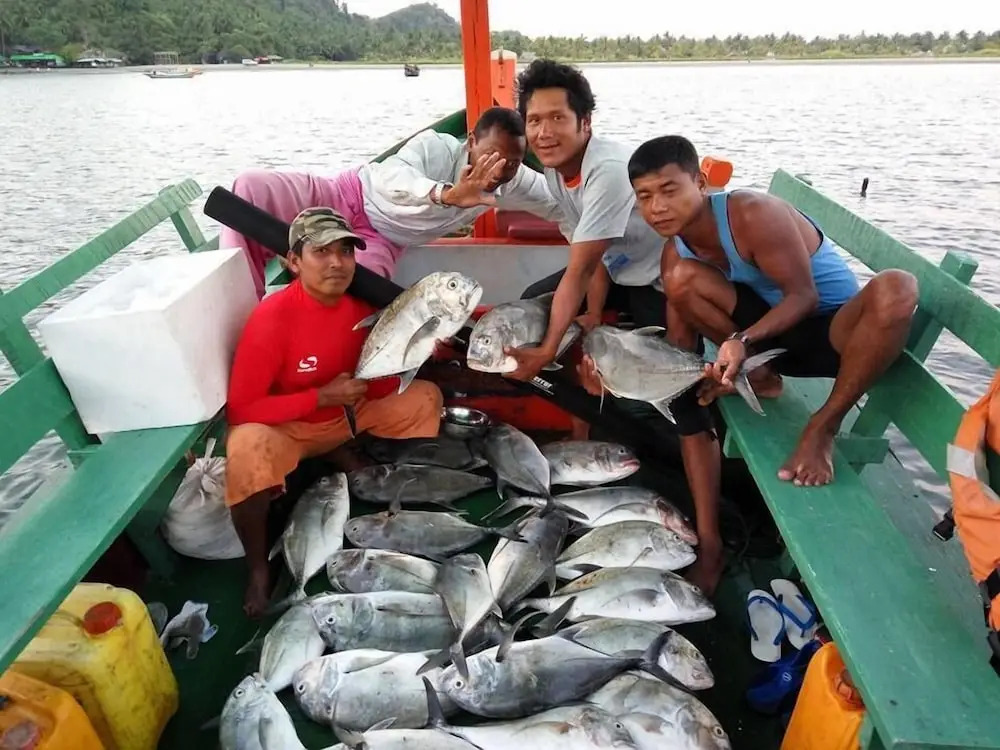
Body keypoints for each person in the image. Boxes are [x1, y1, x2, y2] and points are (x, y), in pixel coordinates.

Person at [581, 134, 918, 594]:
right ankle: (756, 386)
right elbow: (678, 347)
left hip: (832, 334)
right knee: (680, 284)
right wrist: (625, 376)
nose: (657, 207)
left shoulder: (753, 214)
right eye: (644, 197)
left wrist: (741, 341)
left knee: (898, 286)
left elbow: (804, 296)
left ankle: (822, 427)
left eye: (669, 190)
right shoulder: (675, 251)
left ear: (701, 183)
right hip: (761, 343)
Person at [224, 206, 444, 617]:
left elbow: (377, 385)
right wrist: (320, 397)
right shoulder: (272, 319)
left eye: (345, 251)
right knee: (247, 449)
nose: (337, 263)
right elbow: (241, 407)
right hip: (289, 428)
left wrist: (415, 353)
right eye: (322, 252)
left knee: (425, 397)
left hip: (346, 416)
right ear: (293, 262)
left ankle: (368, 474)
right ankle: (258, 567)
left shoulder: (362, 309)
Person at [220, 106, 564, 298]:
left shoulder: (513, 179)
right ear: (471, 141)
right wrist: (448, 194)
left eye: (512, 163)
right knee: (249, 190)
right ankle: (240, 313)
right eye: (492, 156)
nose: (499, 169)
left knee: (358, 294)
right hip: (345, 196)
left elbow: (558, 202)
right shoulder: (435, 147)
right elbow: (394, 175)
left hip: (383, 240)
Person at [503, 59, 668, 386]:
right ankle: (574, 398)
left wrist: (547, 351)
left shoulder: (607, 170)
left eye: (557, 118)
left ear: (585, 122)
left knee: (650, 369)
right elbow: (594, 255)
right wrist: (592, 312)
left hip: (658, 281)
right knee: (535, 300)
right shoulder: (556, 170)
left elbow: (581, 270)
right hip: (619, 272)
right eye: (534, 120)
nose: (544, 133)